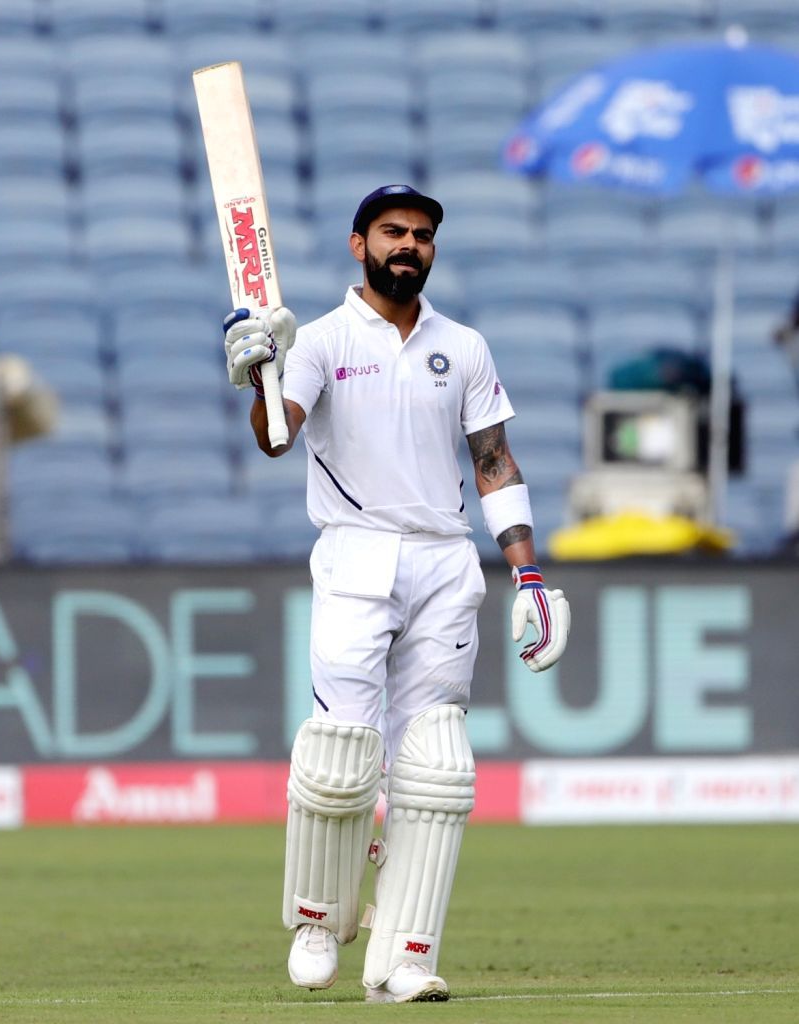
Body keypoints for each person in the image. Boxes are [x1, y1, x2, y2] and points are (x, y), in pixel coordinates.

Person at [222, 184, 571, 1004]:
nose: (408, 245)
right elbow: (278, 438)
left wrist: (527, 570)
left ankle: (404, 952)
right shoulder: (312, 339)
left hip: (446, 561)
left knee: (433, 766)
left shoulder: (465, 346)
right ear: (359, 245)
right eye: (391, 233)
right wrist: (256, 377)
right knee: (343, 748)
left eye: (420, 234)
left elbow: (494, 460)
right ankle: (317, 918)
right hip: (355, 556)